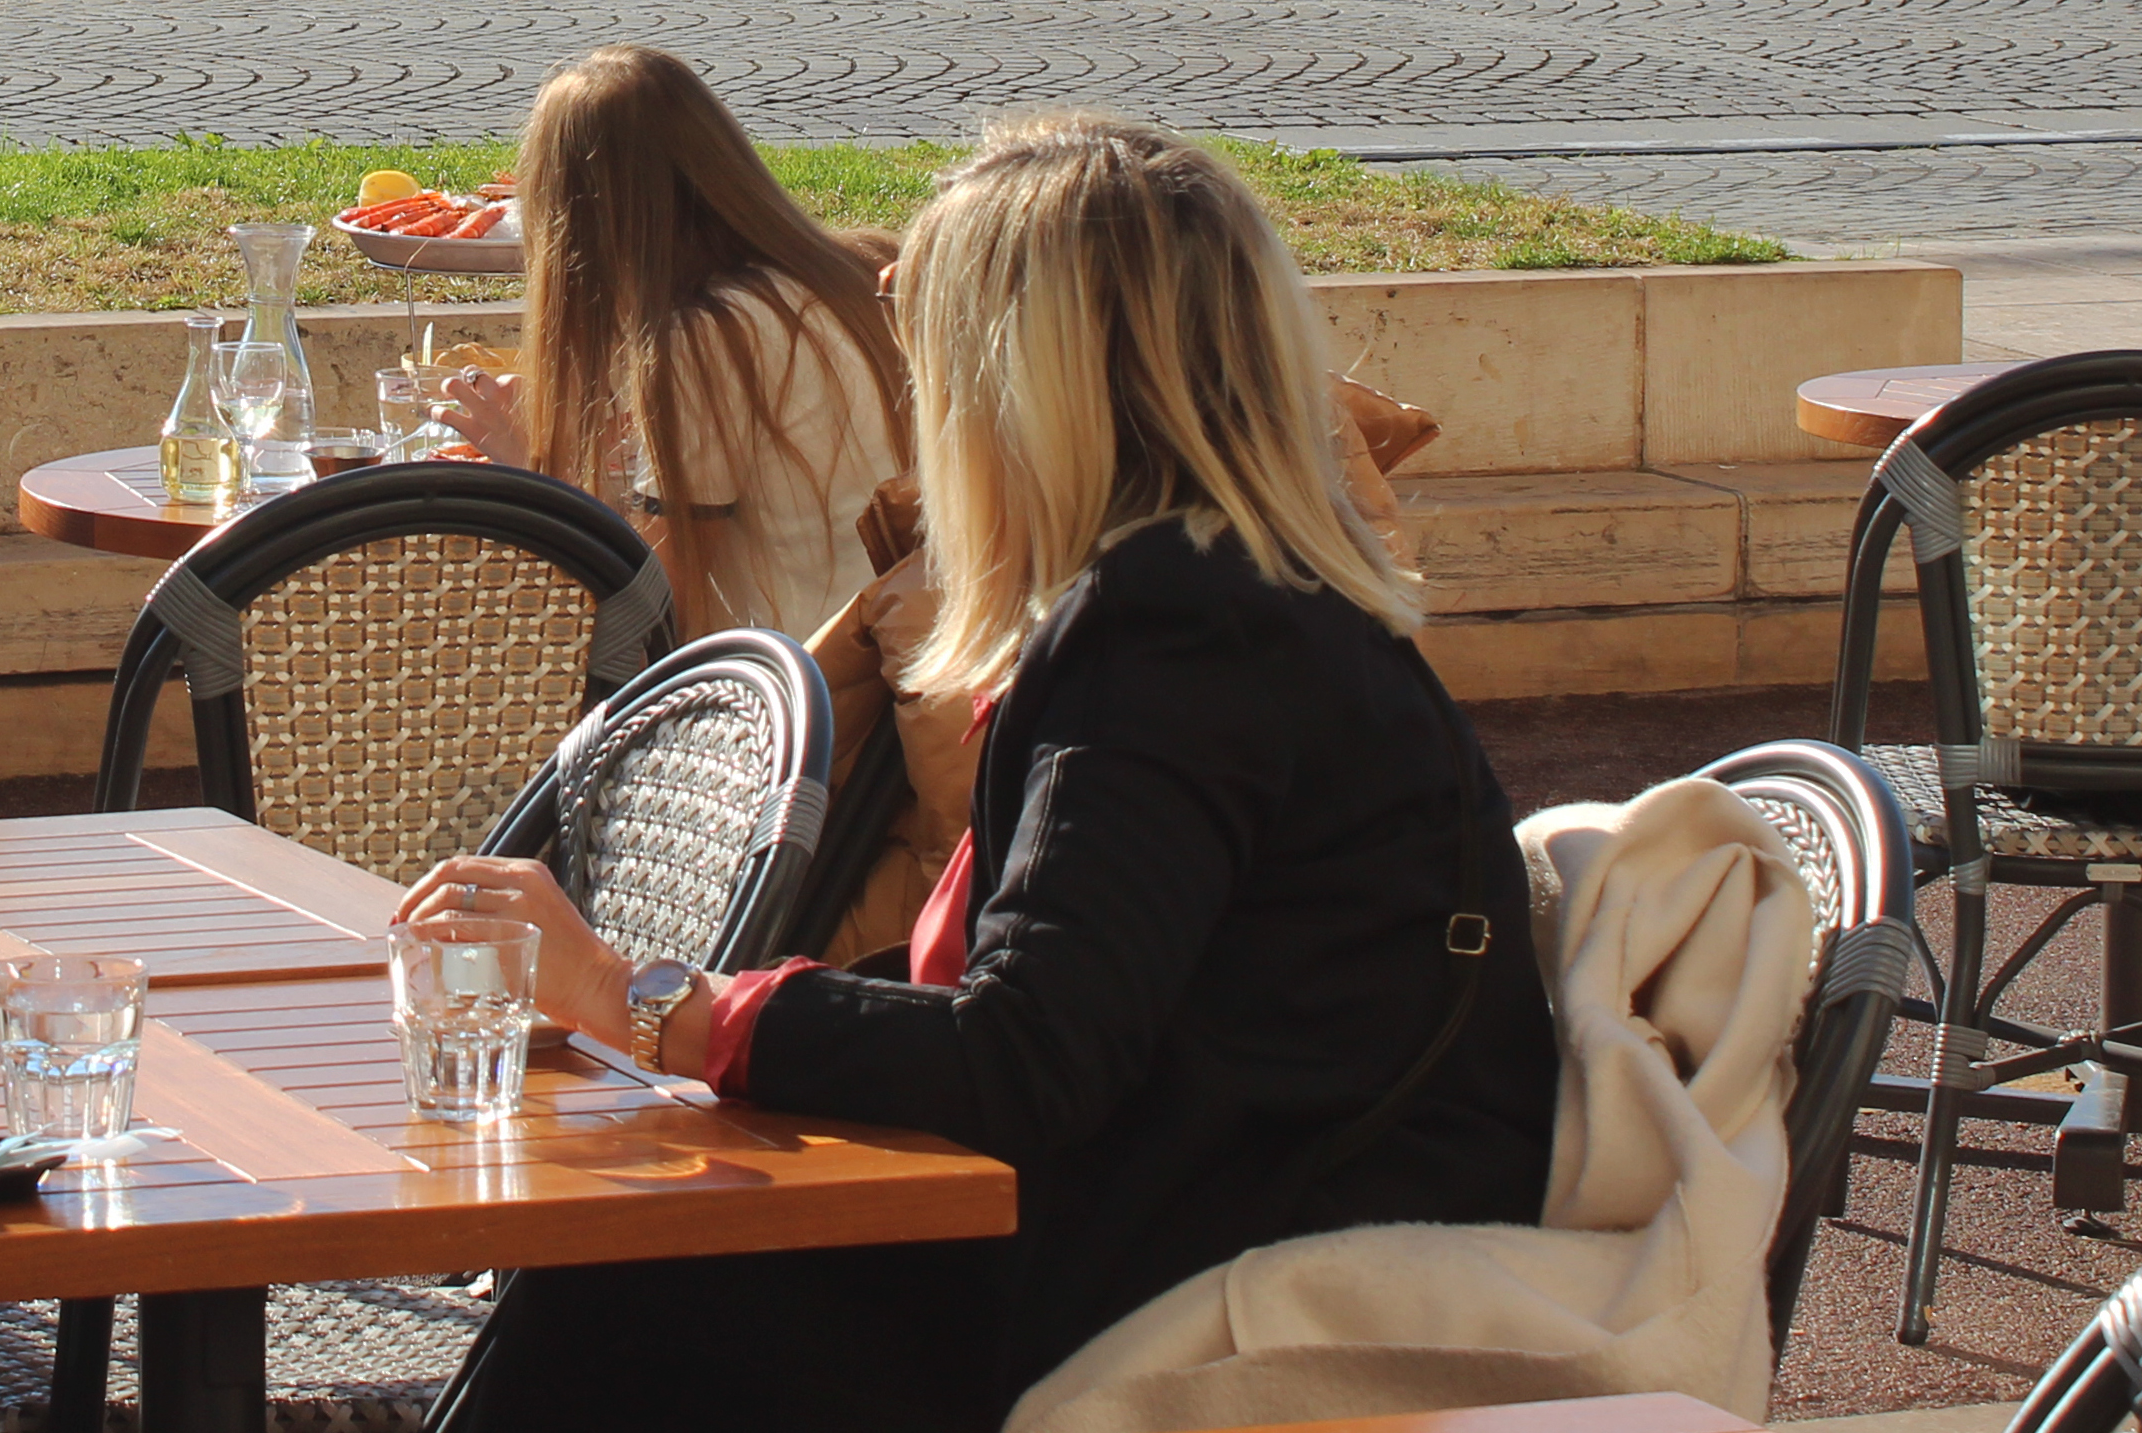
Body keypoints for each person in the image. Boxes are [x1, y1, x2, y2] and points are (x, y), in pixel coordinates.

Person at [398, 113, 1561, 1433]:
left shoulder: (1174, 631)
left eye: (929, 346)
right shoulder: (1245, 584)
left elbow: (1030, 1055)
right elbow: (1065, 994)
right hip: (1293, 1184)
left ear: (1024, 383)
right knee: (648, 1261)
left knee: (633, 1287)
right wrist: (714, 1024)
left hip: (1264, 1259)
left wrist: (647, 999)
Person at [442, 43, 906, 640]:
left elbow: (651, 618)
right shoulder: (862, 265)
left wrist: (536, 475)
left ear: (572, 223)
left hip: (801, 701)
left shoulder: (710, 337)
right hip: (909, 672)